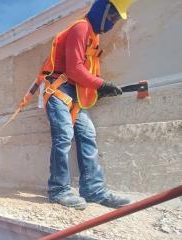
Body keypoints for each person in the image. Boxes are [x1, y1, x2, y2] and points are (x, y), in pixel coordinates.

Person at [19, 0, 132, 210]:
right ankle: (58, 190)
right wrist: (101, 85)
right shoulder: (81, 27)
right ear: (102, 10)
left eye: (116, 20)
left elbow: (87, 71)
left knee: (87, 134)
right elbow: (74, 69)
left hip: (76, 92)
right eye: (112, 17)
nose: (113, 23)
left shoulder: (93, 36)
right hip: (59, 87)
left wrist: (99, 89)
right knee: (63, 136)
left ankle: (93, 191)